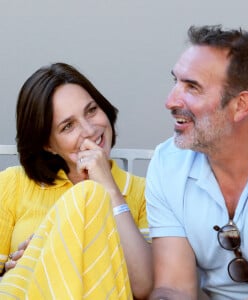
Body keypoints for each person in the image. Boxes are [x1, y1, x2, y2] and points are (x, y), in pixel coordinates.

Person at [146, 25, 248, 299]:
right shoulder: (167, 162)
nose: (170, 101)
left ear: (240, 105)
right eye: (175, 82)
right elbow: (174, 287)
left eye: (192, 87)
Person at [0, 62, 152, 299]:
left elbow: (145, 287)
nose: (90, 130)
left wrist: (109, 189)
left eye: (91, 110)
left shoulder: (144, 193)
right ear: (47, 144)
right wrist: (17, 266)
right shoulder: (13, 184)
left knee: (88, 196)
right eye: (68, 126)